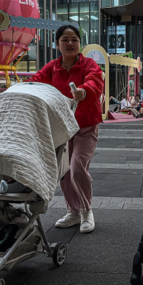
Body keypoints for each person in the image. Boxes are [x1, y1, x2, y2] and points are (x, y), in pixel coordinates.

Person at [28, 24, 104, 234]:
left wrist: (83, 91)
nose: (70, 43)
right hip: (60, 128)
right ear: (57, 44)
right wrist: (19, 90)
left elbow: (95, 82)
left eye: (74, 39)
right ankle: (73, 211)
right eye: (65, 39)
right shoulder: (52, 67)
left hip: (85, 126)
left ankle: (87, 211)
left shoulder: (89, 64)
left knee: (77, 167)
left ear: (80, 44)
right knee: (63, 172)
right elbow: (34, 83)